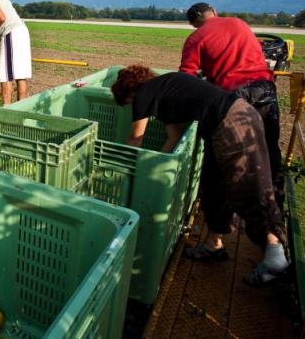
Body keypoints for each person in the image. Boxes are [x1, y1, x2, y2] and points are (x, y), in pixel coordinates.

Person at [111, 65, 289, 286]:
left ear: (129, 93)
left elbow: (136, 139)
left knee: (247, 188)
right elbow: (172, 138)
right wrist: (152, 169)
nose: (133, 108)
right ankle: (214, 244)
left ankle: (275, 255)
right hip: (232, 119)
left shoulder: (144, 94)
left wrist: (119, 169)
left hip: (232, 122)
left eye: (128, 104)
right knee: (214, 185)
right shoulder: (163, 89)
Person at [181, 2, 285, 257]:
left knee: (218, 172)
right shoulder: (240, 23)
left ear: (194, 23)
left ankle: (215, 241)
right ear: (214, 12)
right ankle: (277, 243)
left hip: (230, 100)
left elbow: (185, 77)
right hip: (264, 93)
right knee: (268, 161)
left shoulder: (196, 38)